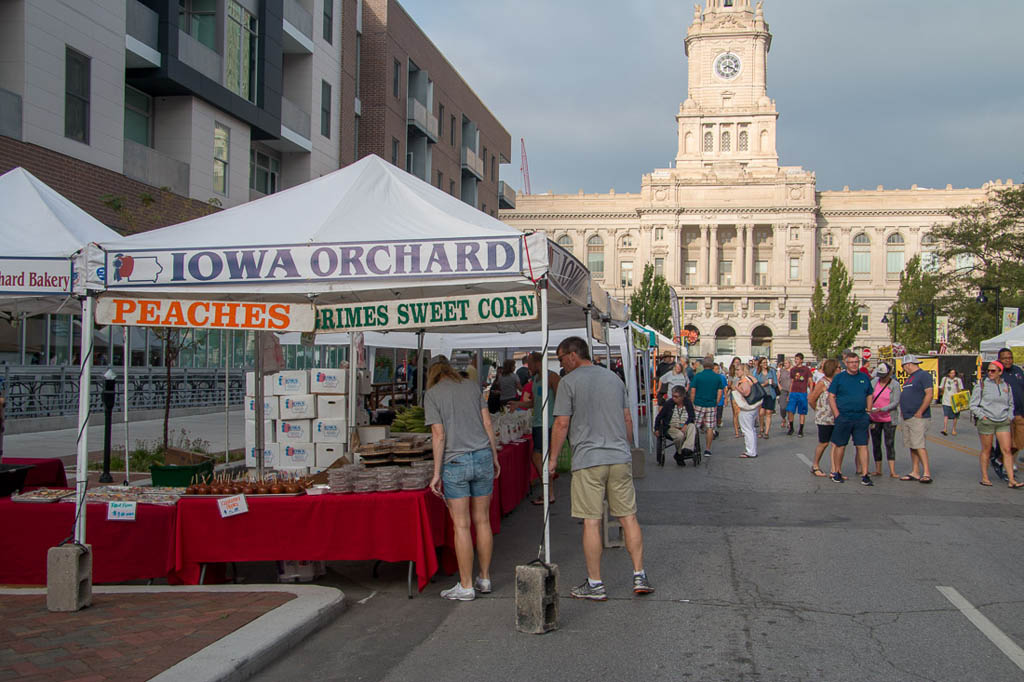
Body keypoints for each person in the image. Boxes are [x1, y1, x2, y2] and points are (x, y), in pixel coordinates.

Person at [548, 336, 653, 599]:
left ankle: (595, 584)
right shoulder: (614, 378)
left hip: (588, 459)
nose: (561, 364)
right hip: (618, 456)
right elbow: (627, 418)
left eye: (561, 359)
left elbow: (561, 424)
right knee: (628, 516)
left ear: (573, 355)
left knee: (591, 522)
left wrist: (552, 460)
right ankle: (639, 575)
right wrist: (624, 446)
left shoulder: (568, 383)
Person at [425, 355, 501, 600]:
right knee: (483, 521)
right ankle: (485, 578)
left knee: (462, 525)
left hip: (454, 462)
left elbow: (438, 435)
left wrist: (436, 473)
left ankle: (466, 585)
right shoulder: (471, 386)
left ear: (432, 374)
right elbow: (488, 422)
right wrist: (494, 455)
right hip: (482, 457)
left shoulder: (433, 394)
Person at [512, 351, 560, 505]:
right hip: (538, 423)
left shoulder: (551, 377)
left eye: (530, 363)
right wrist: (519, 404)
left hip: (548, 424)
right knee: (539, 457)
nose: (528, 366)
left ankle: (549, 493)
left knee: (538, 457)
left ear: (537, 362)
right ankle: (548, 492)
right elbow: (535, 403)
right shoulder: (536, 380)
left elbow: (561, 398)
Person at [970, 360, 1021, 488]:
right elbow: (973, 405)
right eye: (988, 370)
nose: (990, 373)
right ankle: (985, 477)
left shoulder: (1006, 386)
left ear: (1000, 372)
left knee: (1007, 450)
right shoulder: (982, 385)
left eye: (993, 371)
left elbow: (1011, 404)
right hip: (987, 421)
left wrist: (1009, 417)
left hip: (1002, 421)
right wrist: (983, 416)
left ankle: (1011, 480)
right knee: (986, 450)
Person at [828, 351, 874, 486]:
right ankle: (837, 472)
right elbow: (831, 396)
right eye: (851, 362)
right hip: (844, 416)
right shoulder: (839, 378)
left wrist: (868, 411)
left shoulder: (864, 377)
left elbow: (869, 394)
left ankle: (865, 474)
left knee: (863, 445)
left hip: (860, 416)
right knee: (840, 445)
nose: (854, 365)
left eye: (856, 362)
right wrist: (836, 414)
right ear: (846, 364)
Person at [898, 355, 934, 484]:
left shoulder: (923, 375)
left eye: (903, 366)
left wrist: (920, 411)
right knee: (912, 445)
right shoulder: (910, 378)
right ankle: (915, 471)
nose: (904, 369)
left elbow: (929, 393)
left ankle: (926, 472)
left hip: (917, 416)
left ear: (908, 364)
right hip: (908, 416)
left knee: (919, 444)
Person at [868, 362, 900, 478]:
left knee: (889, 443)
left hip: (888, 418)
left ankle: (892, 470)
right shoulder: (874, 382)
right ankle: (878, 469)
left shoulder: (895, 384)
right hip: (874, 418)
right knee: (876, 443)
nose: (882, 378)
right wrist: (870, 408)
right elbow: (869, 396)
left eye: (884, 375)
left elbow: (896, 401)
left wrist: (882, 409)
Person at [808, 358, 839, 477]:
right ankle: (815, 464)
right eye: (838, 368)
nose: (839, 370)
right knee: (824, 443)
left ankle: (834, 469)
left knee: (836, 443)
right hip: (824, 418)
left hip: (836, 416)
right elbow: (811, 398)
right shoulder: (822, 382)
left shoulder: (837, 382)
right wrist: (818, 409)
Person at [690, 356, 723, 458]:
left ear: (703, 365)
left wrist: (692, 402)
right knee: (710, 427)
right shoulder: (717, 377)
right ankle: (708, 449)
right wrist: (716, 401)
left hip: (699, 403)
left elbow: (693, 391)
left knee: (695, 426)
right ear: (712, 365)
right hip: (711, 404)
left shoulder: (698, 376)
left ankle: (693, 445)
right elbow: (720, 391)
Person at [654, 385, 696, 463]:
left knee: (692, 426)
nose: (674, 398)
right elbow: (659, 417)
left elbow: (692, 416)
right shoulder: (669, 403)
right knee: (680, 435)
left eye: (676, 397)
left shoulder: (688, 403)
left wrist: (686, 425)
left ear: (682, 396)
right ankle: (680, 453)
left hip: (684, 424)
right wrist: (656, 429)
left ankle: (687, 449)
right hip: (671, 427)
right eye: (673, 396)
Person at [996, 348, 1024, 460]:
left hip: (1020, 412)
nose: (1008, 360)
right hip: (1004, 413)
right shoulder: (997, 373)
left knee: (1020, 442)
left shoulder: (1018, 371)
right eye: (1005, 358)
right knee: (1007, 442)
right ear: (999, 359)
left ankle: (1000, 459)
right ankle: (1007, 464)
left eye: (1010, 358)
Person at [733, 363, 762, 458]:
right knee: (751, 429)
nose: (736, 372)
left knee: (747, 430)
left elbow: (746, 393)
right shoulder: (750, 378)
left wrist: (737, 388)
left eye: (738, 370)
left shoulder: (744, 381)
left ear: (743, 370)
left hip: (747, 408)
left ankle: (750, 451)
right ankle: (752, 450)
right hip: (753, 408)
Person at [787, 353, 814, 437]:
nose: (796, 360)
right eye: (795, 359)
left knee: (802, 411)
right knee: (790, 410)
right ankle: (791, 427)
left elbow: (810, 381)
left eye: (798, 359)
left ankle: (801, 429)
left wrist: (811, 393)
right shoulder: (793, 369)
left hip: (802, 392)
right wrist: (789, 393)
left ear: (801, 360)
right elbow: (792, 382)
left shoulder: (806, 369)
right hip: (793, 392)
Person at [754, 357, 778, 438]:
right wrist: (764, 384)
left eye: (766, 362)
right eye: (763, 363)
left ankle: (766, 432)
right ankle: (761, 428)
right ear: (760, 364)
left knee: (768, 413)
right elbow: (755, 385)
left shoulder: (771, 371)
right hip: (761, 394)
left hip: (770, 394)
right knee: (761, 413)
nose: (765, 364)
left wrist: (772, 383)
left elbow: (775, 383)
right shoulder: (757, 373)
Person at [939, 368, 964, 436]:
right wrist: (943, 387)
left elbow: (960, 391)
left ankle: (954, 429)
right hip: (946, 400)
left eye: (953, 373)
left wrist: (956, 385)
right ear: (948, 373)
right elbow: (941, 388)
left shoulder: (958, 380)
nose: (952, 374)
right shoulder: (945, 379)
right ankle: (945, 428)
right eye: (951, 373)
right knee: (946, 415)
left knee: (955, 416)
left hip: (955, 400)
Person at [728, 357, 743, 438]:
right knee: (736, 413)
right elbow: (729, 384)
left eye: (738, 362)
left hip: (742, 393)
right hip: (734, 394)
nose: (737, 363)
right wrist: (733, 387)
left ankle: (743, 429)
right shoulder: (731, 373)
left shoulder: (743, 372)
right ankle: (737, 431)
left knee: (742, 412)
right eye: (735, 362)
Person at [777, 358, 792, 431]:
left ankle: (790, 421)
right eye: (784, 363)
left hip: (791, 391)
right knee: (783, 407)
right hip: (783, 390)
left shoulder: (792, 371)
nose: (785, 365)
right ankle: (783, 418)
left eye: (786, 363)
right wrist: (780, 387)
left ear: (790, 364)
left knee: (790, 407)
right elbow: (777, 379)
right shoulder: (781, 371)